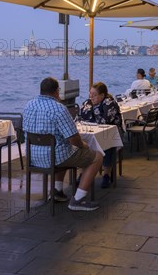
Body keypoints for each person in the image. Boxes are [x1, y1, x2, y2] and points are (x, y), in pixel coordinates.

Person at [23, 77, 103, 211]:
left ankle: (57, 191)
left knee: (65, 149)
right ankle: (78, 200)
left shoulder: (28, 105)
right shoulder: (59, 109)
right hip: (54, 157)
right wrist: (84, 145)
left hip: (32, 157)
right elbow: (74, 139)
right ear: (56, 91)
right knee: (97, 157)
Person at [80, 82, 123, 189]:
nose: (91, 97)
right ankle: (83, 173)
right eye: (90, 94)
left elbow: (105, 121)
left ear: (102, 95)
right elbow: (80, 117)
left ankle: (106, 174)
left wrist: (92, 116)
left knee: (107, 144)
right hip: (92, 131)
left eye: (94, 94)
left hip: (112, 132)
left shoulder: (109, 103)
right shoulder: (87, 102)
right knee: (82, 144)